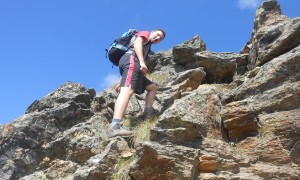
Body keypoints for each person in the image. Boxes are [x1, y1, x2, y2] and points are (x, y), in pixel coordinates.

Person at [107, 29, 166, 138]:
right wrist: (142, 62)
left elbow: (128, 70)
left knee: (152, 88)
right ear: (152, 32)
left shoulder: (148, 45)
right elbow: (137, 43)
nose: (157, 38)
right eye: (157, 35)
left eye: (160, 38)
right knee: (127, 90)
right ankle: (115, 125)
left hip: (133, 65)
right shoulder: (146, 34)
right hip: (132, 60)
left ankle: (148, 112)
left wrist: (120, 82)